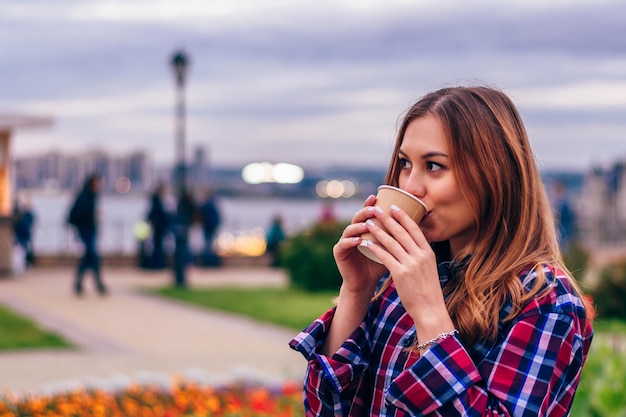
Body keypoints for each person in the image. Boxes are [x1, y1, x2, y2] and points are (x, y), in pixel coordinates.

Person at [289, 85, 594, 416]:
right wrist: (357, 289)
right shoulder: (395, 284)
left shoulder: (544, 300)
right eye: (405, 163)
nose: (411, 186)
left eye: (434, 166)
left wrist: (429, 313)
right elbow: (326, 410)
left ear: (495, 174)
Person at [67, 173, 106, 295]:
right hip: (85, 230)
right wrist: (91, 218)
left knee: (89, 257)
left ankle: (82, 283)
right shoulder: (85, 197)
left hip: (89, 230)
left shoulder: (92, 196)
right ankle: (97, 284)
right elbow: (79, 214)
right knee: (92, 256)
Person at [146, 181, 171, 269]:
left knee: (158, 245)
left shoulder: (157, 200)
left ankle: (157, 263)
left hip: (158, 226)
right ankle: (157, 263)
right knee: (158, 245)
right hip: (159, 226)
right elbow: (159, 213)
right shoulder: (158, 201)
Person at [199, 187, 221, 266]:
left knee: (208, 245)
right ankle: (209, 261)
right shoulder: (213, 204)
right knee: (210, 244)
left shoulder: (207, 204)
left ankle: (208, 262)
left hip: (208, 227)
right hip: (211, 227)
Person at [13, 193, 36, 268]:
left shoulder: (23, 214)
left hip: (23, 233)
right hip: (24, 233)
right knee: (24, 248)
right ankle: (25, 264)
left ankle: (24, 264)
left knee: (22, 248)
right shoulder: (27, 214)